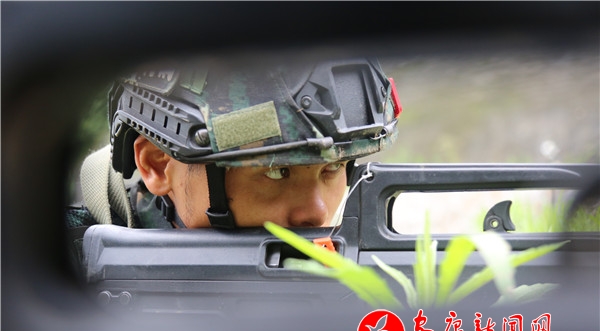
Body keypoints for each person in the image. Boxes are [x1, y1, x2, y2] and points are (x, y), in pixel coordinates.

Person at [66, 56, 402, 242]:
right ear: (157, 163)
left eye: (333, 167)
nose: (316, 213)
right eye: (277, 171)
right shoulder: (61, 266)